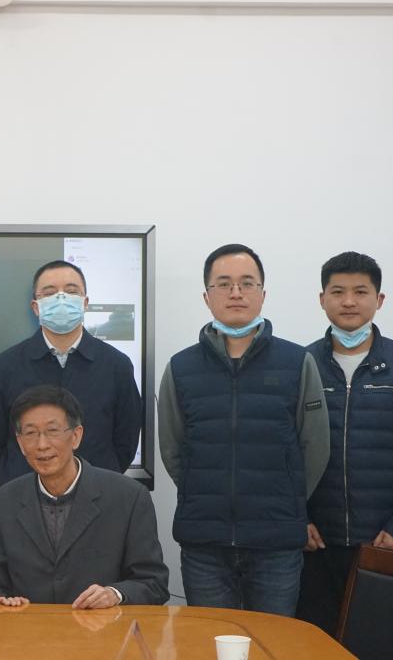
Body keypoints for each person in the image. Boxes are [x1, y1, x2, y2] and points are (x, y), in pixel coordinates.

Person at [158, 243, 330, 617]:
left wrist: (287, 498)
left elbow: (315, 446)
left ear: (262, 294)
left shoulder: (297, 362)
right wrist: (202, 489)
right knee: (209, 639)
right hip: (205, 543)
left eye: (247, 283)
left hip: (276, 543)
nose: (236, 292)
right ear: (207, 296)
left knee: (272, 641)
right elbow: (172, 448)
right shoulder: (181, 367)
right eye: (224, 284)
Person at [296, 251, 393, 634]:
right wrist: (298, 520)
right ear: (322, 299)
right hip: (315, 546)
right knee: (314, 646)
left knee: (383, 643)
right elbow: (281, 454)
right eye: (338, 292)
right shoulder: (299, 365)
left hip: (386, 544)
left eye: (360, 291)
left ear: (379, 300)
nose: (349, 301)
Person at [0, 385, 169, 607]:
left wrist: (115, 594)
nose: (42, 445)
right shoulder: (1, 504)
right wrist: (2, 602)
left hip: (102, 627)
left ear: (76, 436)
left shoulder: (129, 497)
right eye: (31, 433)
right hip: (29, 627)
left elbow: (154, 583)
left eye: (52, 431)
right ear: (20, 443)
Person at [0, 260, 142, 486]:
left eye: (71, 291)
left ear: (85, 303)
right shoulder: (5, 366)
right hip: (24, 496)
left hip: (97, 495)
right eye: (50, 293)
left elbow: (126, 442)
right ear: (36, 307)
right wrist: (18, 482)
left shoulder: (116, 365)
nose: (61, 299)